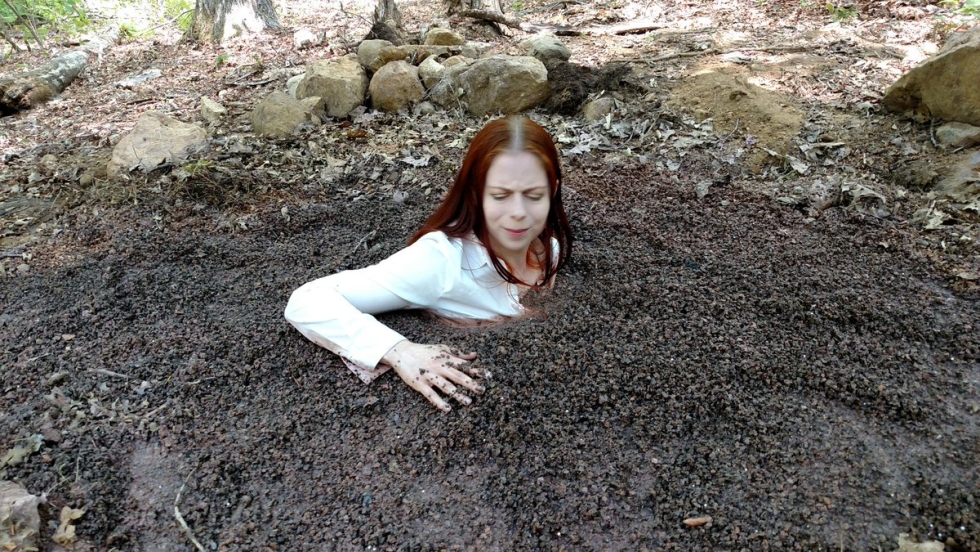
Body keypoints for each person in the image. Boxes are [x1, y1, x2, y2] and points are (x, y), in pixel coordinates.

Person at [284, 116, 573, 412]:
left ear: (552, 190)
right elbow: (307, 301)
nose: (519, 212)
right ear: (475, 193)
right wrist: (400, 351)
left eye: (534, 196)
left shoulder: (549, 244)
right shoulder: (440, 262)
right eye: (500, 196)